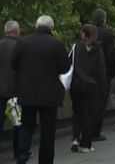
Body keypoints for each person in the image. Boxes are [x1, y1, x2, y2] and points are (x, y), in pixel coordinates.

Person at [11, 15, 70, 164]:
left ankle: (22, 156)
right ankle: (45, 160)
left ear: (36, 26)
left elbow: (13, 64)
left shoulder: (23, 42)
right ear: (51, 28)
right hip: (49, 95)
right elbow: (65, 68)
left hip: (27, 93)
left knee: (26, 127)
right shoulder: (57, 44)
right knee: (47, 132)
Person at [70, 24, 107, 153]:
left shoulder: (76, 47)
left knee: (77, 112)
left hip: (76, 85)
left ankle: (75, 138)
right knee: (88, 114)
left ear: (83, 34)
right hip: (91, 86)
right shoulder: (98, 50)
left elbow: (69, 63)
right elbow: (101, 71)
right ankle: (86, 143)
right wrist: (103, 88)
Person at [92, 8, 115, 142]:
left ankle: (84, 130)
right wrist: (111, 73)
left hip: (86, 73)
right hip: (102, 73)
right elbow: (111, 55)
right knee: (100, 103)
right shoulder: (107, 34)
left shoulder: (87, 32)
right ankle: (96, 131)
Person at [0, 20, 21, 158]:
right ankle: (18, 152)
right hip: (15, 92)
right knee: (18, 124)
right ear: (16, 31)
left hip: (0, 92)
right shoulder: (20, 46)